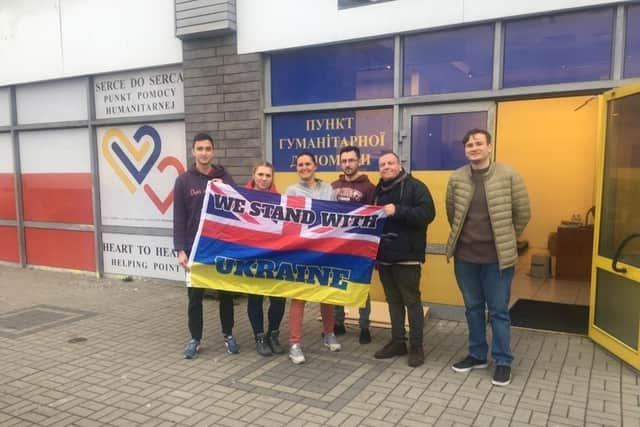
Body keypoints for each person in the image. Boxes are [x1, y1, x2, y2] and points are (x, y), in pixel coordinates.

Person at [446, 128, 530, 386]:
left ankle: (503, 361)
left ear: (490, 147)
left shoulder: (509, 175)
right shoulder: (457, 177)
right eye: (469, 144)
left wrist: (504, 238)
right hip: (465, 257)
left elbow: (523, 213)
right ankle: (477, 354)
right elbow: (452, 213)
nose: (474, 147)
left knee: (498, 311)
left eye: (479, 143)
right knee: (472, 308)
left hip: (497, 260)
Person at [173, 132, 240, 359]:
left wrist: (226, 189)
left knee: (226, 293)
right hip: (195, 247)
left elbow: (238, 206)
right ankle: (195, 338)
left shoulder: (224, 176)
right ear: (193, 152)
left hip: (220, 246)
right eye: (200, 149)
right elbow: (179, 217)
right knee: (194, 296)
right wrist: (180, 249)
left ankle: (228, 334)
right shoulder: (184, 180)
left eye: (208, 149)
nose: (204, 153)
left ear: (213, 151)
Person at [372, 150, 435, 368]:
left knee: (411, 301)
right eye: (382, 164)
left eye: (390, 163)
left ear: (400, 166)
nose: (386, 167)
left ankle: (416, 346)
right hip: (385, 257)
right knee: (393, 301)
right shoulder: (378, 190)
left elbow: (428, 214)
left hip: (407, 256)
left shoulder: (416, 186)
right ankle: (398, 341)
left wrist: (397, 210)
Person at [285, 152, 342, 364]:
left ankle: (329, 334)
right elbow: (288, 222)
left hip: (326, 251)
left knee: (325, 294)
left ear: (315, 166)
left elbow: (337, 218)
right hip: (302, 251)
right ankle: (294, 344)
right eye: (300, 164)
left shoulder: (329, 189)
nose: (304, 167)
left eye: (307, 164)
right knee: (298, 296)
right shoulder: (291, 191)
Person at [331, 146, 376, 344]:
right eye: (344, 161)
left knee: (361, 286)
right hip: (337, 245)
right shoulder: (332, 186)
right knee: (337, 284)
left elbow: (375, 217)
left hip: (360, 247)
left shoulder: (370, 188)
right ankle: (338, 322)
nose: (348, 164)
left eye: (351, 160)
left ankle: (364, 326)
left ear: (359, 161)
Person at [245, 161, 286, 356]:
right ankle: (259, 337)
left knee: (278, 299)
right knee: (255, 298)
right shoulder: (240, 198)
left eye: (268, 175)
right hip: (253, 258)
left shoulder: (281, 200)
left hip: (275, 258)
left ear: (272, 178)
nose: (264, 179)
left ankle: (273, 334)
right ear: (253, 175)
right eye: (260, 174)